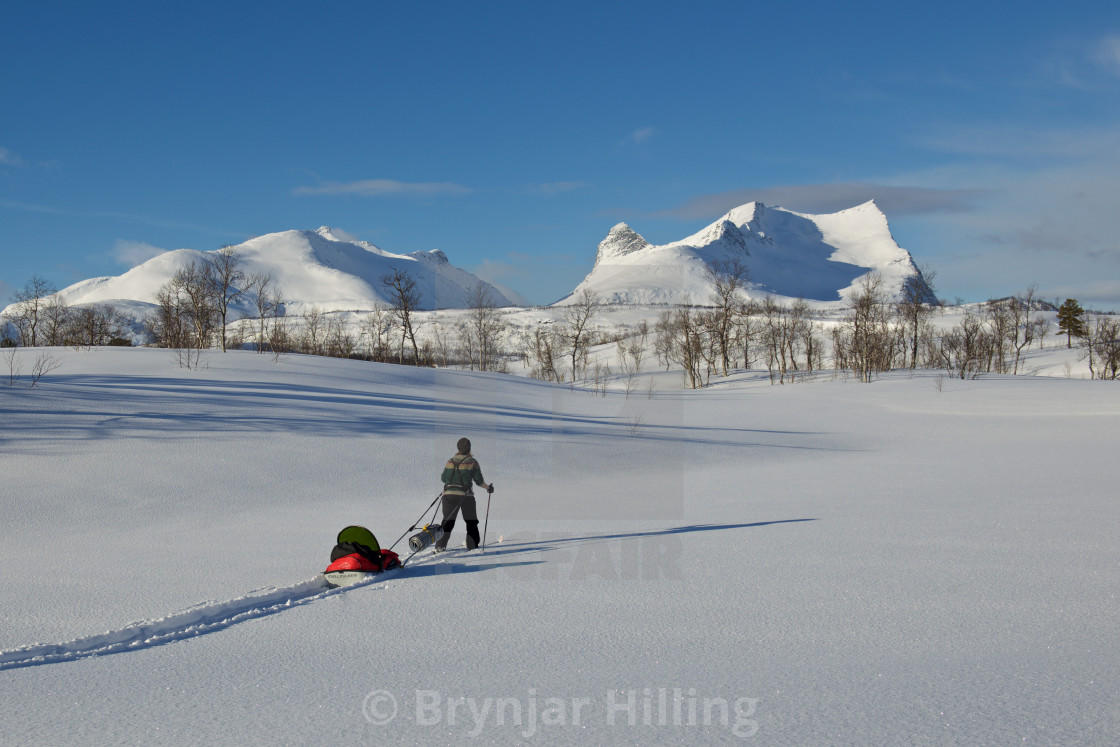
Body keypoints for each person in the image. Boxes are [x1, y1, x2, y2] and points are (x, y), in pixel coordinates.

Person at [434, 437, 493, 551]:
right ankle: (472, 546)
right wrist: (488, 488)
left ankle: (440, 546)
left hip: (448, 495)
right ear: (469, 448)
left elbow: (443, 478)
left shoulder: (450, 461)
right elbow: (479, 481)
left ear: (458, 448)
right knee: (471, 521)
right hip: (466, 496)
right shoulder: (472, 462)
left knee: (448, 520)